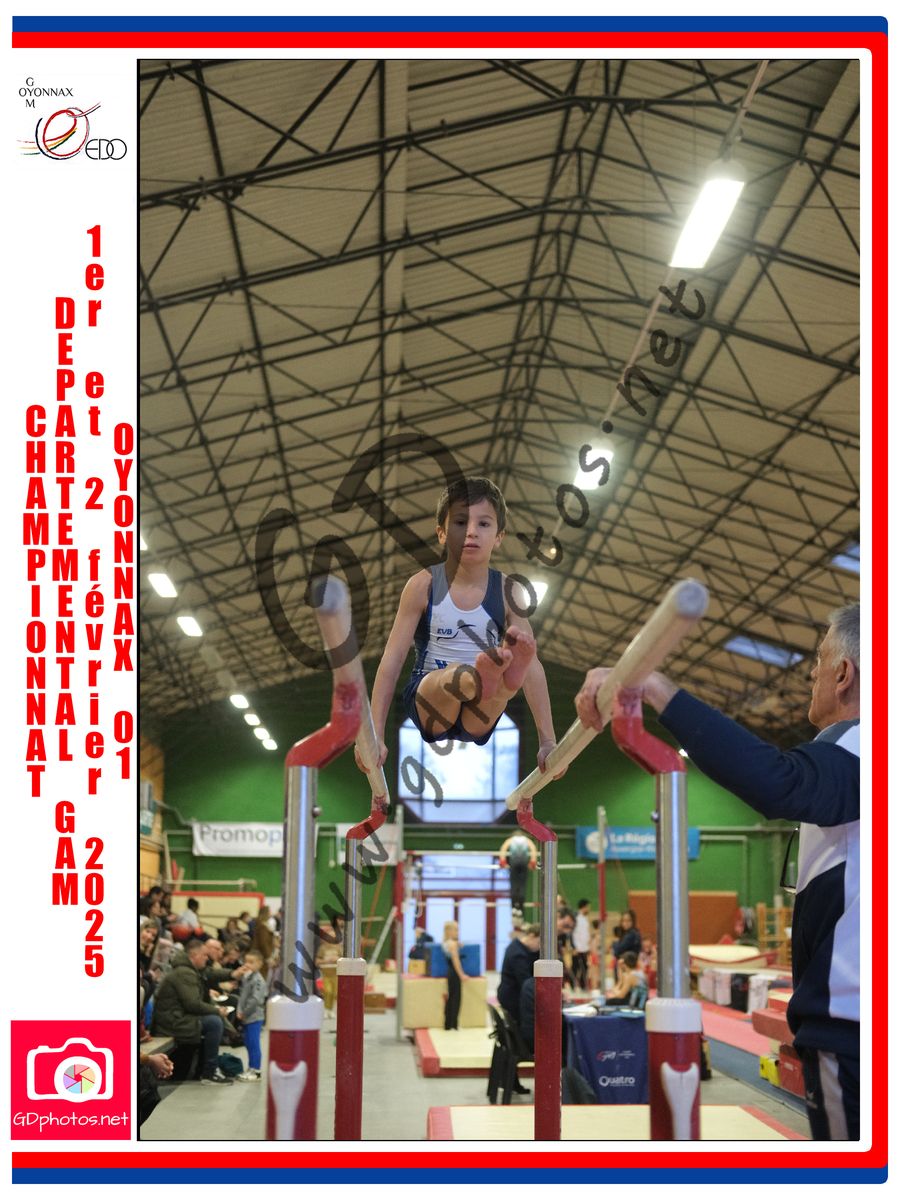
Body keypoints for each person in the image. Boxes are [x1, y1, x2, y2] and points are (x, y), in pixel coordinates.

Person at [575, 601, 860, 1141]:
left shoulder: (862, 744)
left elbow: (778, 782)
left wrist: (656, 688)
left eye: (820, 660)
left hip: (851, 1027)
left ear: (844, 673)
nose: (812, 674)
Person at [360, 477, 563, 771]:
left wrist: (549, 742)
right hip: (430, 702)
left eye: (484, 524)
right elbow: (392, 659)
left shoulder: (509, 591)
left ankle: (495, 683)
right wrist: (375, 734)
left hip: (479, 714)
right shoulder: (423, 586)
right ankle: (485, 679)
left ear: (499, 536)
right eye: (460, 522)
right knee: (458, 676)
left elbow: (531, 666)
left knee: (500, 690)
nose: (471, 532)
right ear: (442, 533)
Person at [150, 939, 234, 1084]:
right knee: (214, 1022)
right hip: (172, 1021)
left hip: (175, 1017)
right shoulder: (185, 973)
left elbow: (211, 975)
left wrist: (232, 974)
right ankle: (209, 1072)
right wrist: (217, 1010)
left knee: (213, 1019)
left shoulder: (188, 970)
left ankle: (207, 1069)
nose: (206, 958)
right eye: (204, 955)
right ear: (194, 956)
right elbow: (192, 1004)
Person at [497, 924, 540, 1024]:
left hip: (510, 995)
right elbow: (526, 982)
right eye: (539, 943)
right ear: (531, 936)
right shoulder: (517, 954)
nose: (540, 947)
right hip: (512, 999)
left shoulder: (518, 946)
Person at [235, 950, 268, 1081]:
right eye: (246, 961)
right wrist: (240, 1009)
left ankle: (256, 1070)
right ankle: (250, 1068)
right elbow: (243, 995)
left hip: (254, 1017)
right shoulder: (247, 977)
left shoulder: (258, 980)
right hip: (246, 1016)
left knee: (254, 1044)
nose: (247, 964)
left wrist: (244, 1012)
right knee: (248, 1043)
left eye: (251, 962)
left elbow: (255, 1000)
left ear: (259, 964)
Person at [498, 834, 536, 918]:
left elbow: (503, 848)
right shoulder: (526, 840)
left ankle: (513, 908)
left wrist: (502, 861)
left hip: (514, 865)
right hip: (523, 865)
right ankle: (521, 909)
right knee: (522, 887)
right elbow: (533, 848)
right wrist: (533, 861)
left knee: (514, 886)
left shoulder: (511, 839)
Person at [442, 920, 467, 1031]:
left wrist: (457, 944)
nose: (458, 932)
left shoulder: (447, 942)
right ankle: (453, 1024)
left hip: (450, 972)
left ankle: (448, 1024)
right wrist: (461, 975)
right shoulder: (452, 944)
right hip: (454, 972)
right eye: (456, 930)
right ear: (449, 931)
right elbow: (456, 960)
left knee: (451, 997)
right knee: (456, 998)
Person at [571, 899, 591, 990]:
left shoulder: (585, 919)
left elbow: (585, 934)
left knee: (585, 967)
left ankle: (583, 986)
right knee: (575, 968)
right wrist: (574, 947)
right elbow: (571, 934)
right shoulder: (576, 918)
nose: (589, 909)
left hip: (584, 948)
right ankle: (573, 986)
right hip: (577, 948)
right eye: (588, 907)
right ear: (584, 907)